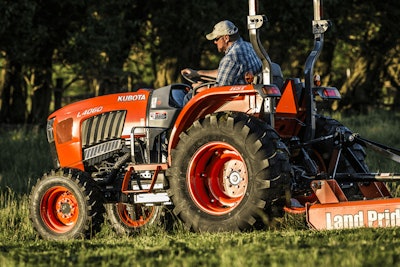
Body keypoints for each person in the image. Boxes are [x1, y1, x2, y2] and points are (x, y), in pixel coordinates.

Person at [181, 20, 262, 103]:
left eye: (216, 39)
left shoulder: (231, 58)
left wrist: (201, 88)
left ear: (226, 38)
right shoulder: (249, 46)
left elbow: (220, 91)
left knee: (188, 98)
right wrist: (197, 73)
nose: (215, 42)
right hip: (249, 98)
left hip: (234, 103)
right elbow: (227, 72)